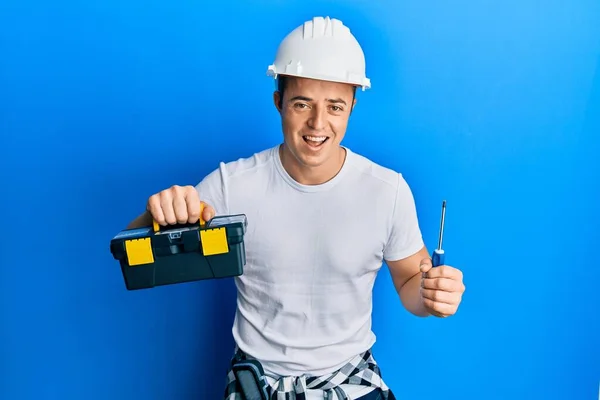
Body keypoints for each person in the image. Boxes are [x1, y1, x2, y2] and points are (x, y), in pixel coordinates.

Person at [127, 16, 466, 400]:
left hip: (350, 378)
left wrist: (431, 294)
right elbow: (138, 257)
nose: (318, 123)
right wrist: (158, 215)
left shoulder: (387, 190)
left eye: (335, 107)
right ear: (279, 102)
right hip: (258, 380)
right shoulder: (231, 186)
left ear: (352, 106)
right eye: (302, 103)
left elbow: (409, 280)